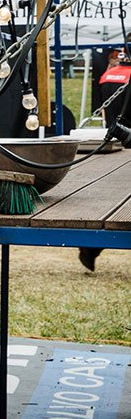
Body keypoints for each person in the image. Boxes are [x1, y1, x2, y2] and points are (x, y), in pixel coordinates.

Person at [79, 49, 131, 271]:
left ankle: (90, 248)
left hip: (116, 141)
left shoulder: (110, 74)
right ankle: (89, 249)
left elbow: (103, 110)